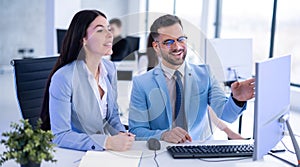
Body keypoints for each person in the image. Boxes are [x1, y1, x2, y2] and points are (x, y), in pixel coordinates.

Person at [128, 14, 255, 143]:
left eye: (181, 39)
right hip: (163, 153)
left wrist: (237, 99)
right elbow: (136, 131)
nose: (177, 47)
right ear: (156, 47)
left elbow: (227, 115)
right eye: (169, 42)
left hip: (201, 151)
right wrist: (164, 135)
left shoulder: (205, 74)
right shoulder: (142, 83)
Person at [40, 10, 135, 151]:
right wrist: (107, 142)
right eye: (100, 30)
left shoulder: (109, 69)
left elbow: (113, 115)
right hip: (73, 153)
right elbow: (60, 135)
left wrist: (121, 133)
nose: (110, 35)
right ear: (83, 39)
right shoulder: (64, 78)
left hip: (101, 153)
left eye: (109, 29)